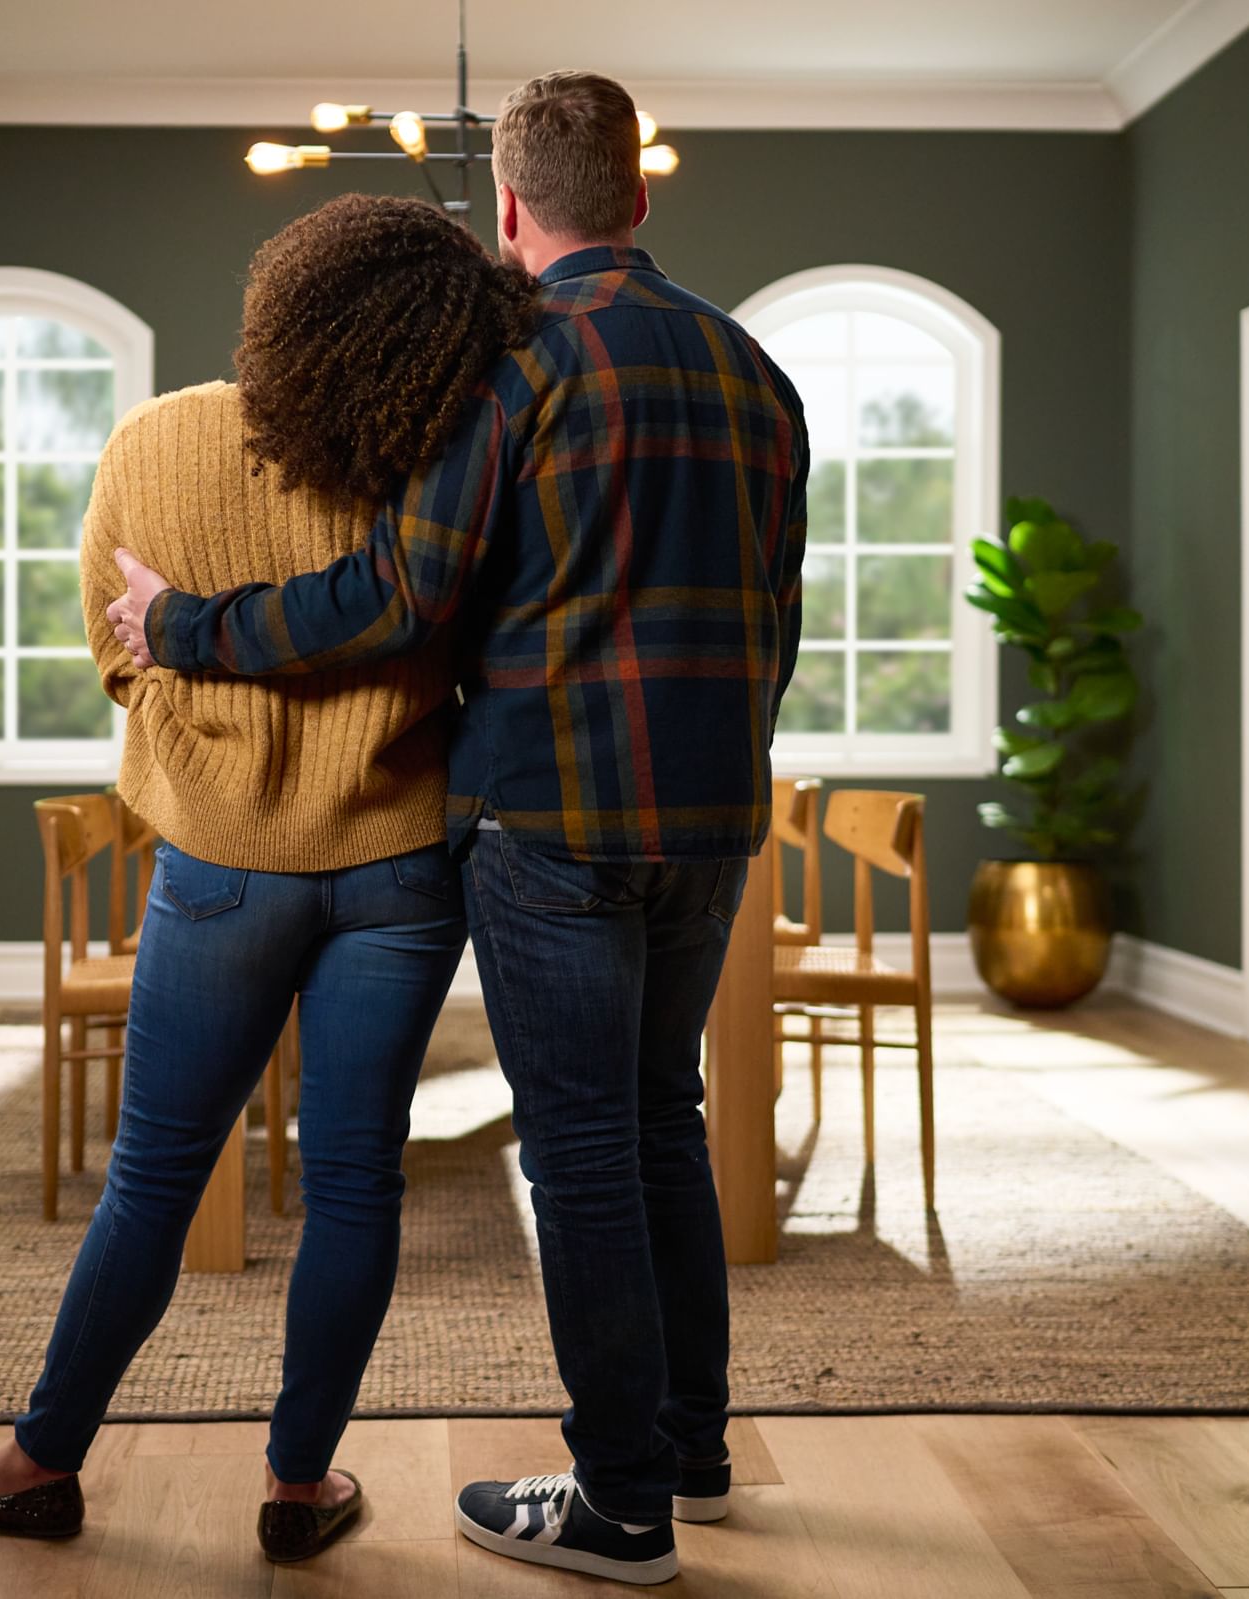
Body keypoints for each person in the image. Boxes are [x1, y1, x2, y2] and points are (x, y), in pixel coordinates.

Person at [109, 70, 809, 1588]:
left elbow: (399, 597)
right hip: (709, 820)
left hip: (551, 818)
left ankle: (621, 1504)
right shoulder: (759, 371)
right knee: (662, 1124)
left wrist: (186, 627)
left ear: (509, 208)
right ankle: (692, 1445)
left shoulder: (517, 368)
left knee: (583, 1157)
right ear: (639, 194)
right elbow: (776, 620)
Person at [0, 194, 539, 1566]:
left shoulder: (155, 439)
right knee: (357, 1181)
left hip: (217, 864)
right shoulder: (439, 467)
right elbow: (467, 648)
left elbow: (117, 646)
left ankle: (39, 1456)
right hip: (398, 864)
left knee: (153, 1175)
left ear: (290, 307)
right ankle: (299, 1485)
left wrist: (204, 734)